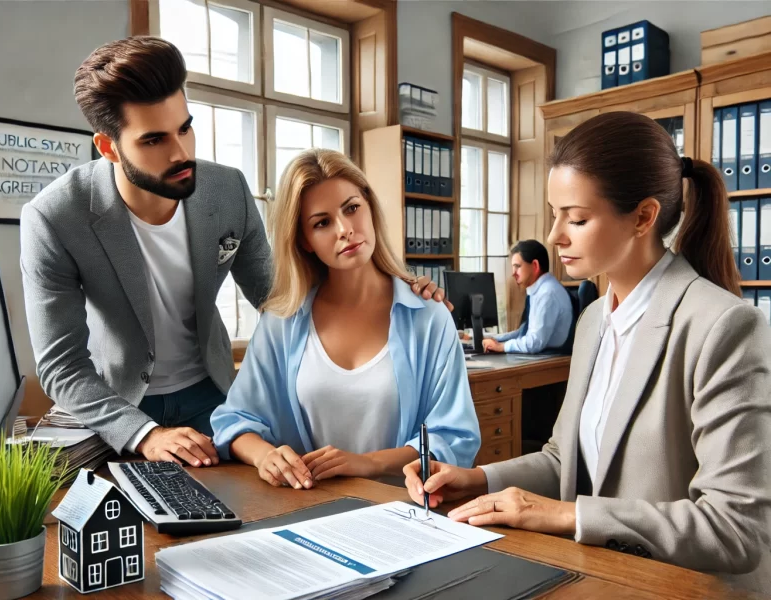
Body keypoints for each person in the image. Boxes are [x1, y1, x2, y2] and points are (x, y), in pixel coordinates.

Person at [19, 36, 444, 467]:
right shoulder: (54, 218)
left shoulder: (227, 190)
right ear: (109, 147)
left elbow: (280, 297)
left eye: (185, 128)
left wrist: (394, 288)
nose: (181, 152)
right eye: (154, 141)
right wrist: (145, 436)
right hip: (119, 405)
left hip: (213, 397)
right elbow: (61, 366)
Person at [404, 111, 771, 592]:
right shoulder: (596, 319)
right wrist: (477, 479)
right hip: (602, 576)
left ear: (643, 217)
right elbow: (563, 459)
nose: (556, 236)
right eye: (556, 214)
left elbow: (736, 530)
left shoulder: (724, 327)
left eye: (576, 218)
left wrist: (567, 514)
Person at [210, 149, 481, 489]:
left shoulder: (429, 316)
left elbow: (453, 438)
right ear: (304, 241)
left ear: (369, 207)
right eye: (321, 223)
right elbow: (234, 420)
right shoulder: (282, 322)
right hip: (309, 510)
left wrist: (365, 464)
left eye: (352, 208)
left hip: (404, 513)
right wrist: (265, 455)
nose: (345, 230)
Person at [461, 240, 573, 354]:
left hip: (551, 359)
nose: (513, 273)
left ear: (535, 266)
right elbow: (523, 333)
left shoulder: (547, 294)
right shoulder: (541, 290)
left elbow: (534, 343)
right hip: (543, 355)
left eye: (517, 266)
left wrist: (502, 347)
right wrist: (497, 339)